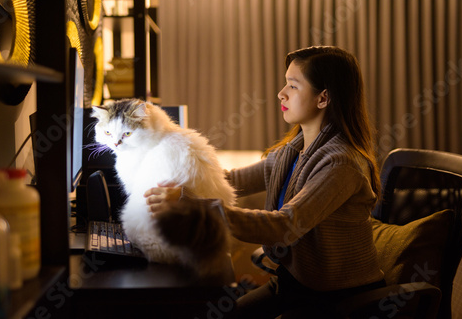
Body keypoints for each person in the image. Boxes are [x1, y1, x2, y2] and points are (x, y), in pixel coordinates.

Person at [145, 46, 386, 318]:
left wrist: (195, 207)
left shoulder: (341, 164)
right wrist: (178, 183)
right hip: (293, 283)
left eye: (293, 86)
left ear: (323, 98)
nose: (281, 93)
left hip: (335, 298)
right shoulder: (293, 151)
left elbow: (285, 225)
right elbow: (231, 181)